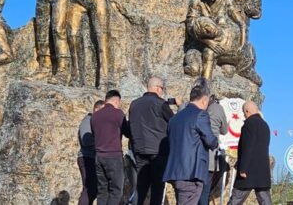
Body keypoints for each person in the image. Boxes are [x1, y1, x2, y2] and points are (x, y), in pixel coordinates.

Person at [162, 84, 218, 205]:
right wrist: (216, 142)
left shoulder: (175, 118)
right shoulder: (201, 115)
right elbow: (210, 140)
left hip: (176, 171)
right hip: (191, 172)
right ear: (204, 100)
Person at [129, 76, 178, 205]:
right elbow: (175, 123)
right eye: (162, 88)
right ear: (157, 88)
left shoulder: (134, 104)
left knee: (140, 187)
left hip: (139, 150)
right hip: (158, 153)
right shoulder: (161, 104)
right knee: (157, 189)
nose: (162, 91)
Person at [227, 101, 271, 205]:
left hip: (248, 171)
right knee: (265, 201)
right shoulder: (265, 125)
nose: (243, 115)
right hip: (262, 172)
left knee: (236, 200)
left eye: (243, 112)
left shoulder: (249, 124)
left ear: (247, 111)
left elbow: (248, 147)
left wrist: (243, 168)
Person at [91, 90, 130, 205]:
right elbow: (127, 132)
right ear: (116, 100)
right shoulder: (117, 113)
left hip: (98, 157)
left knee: (102, 190)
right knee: (116, 190)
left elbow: (94, 134)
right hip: (113, 156)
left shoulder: (95, 116)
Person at [198, 93, 228, 205]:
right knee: (205, 190)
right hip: (210, 153)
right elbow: (224, 130)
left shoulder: (193, 106)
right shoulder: (218, 108)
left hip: (194, 154)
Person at [77, 100, 105, 205]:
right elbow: (86, 140)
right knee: (89, 188)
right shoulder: (88, 121)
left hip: (92, 158)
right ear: (96, 109)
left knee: (94, 189)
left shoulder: (95, 123)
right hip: (86, 158)